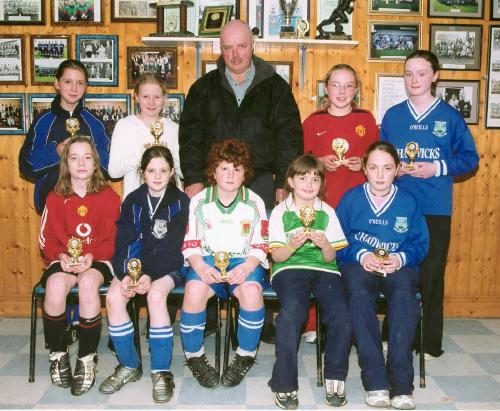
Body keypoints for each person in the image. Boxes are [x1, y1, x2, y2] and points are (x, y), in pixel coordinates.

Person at [179, 19, 302, 343]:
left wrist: (284, 182)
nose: (235, 54)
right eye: (228, 47)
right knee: (210, 245)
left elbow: (289, 136)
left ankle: (260, 315)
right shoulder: (203, 88)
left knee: (262, 247)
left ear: (253, 46)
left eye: (241, 46)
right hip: (211, 181)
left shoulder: (276, 87)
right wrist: (192, 179)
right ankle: (205, 316)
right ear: (220, 49)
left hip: (261, 180)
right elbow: (189, 138)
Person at [380, 50, 479, 359]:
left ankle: (429, 340)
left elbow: (470, 159)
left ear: (435, 76)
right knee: (397, 269)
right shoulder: (393, 115)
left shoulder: (448, 116)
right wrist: (392, 169)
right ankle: (393, 334)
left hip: (435, 207)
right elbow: (382, 157)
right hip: (399, 206)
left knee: (432, 273)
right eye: (409, 73)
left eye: (421, 73)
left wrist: (435, 168)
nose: (414, 79)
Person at [336, 141, 429, 410]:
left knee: (404, 296)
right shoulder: (351, 199)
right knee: (357, 295)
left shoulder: (408, 201)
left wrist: (400, 258)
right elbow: (338, 240)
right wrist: (361, 254)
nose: (380, 175)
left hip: (397, 265)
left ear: (398, 170)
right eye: (374, 168)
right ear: (364, 169)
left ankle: (401, 384)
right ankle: (376, 381)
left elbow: (420, 243)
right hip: (359, 265)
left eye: (387, 168)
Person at [99, 146, 189, 403]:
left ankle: (161, 372)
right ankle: (129, 365)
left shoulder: (181, 202)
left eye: (163, 170)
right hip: (137, 265)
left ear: (172, 173)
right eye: (151, 170)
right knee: (115, 297)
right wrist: (129, 273)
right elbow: (125, 240)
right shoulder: (132, 200)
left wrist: (149, 276)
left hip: (171, 264)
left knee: (156, 297)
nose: (157, 176)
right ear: (142, 173)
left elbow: (174, 247)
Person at [180, 139, 268, 389]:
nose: (231, 174)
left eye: (237, 169)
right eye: (225, 168)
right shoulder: (199, 201)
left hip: (243, 260)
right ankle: (194, 356)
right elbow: (191, 243)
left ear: (245, 174)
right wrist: (200, 266)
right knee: (194, 290)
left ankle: (245, 355)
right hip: (208, 260)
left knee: (251, 293)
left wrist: (247, 267)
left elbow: (261, 244)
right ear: (213, 172)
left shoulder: (255, 202)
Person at [301, 63, 379, 343]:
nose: (342, 91)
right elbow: (300, 165)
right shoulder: (313, 122)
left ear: (356, 89)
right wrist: (318, 164)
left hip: (357, 206)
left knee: (352, 264)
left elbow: (379, 160)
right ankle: (311, 323)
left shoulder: (367, 120)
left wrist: (363, 164)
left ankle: (350, 322)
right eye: (336, 85)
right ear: (326, 87)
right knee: (315, 260)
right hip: (321, 203)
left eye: (348, 85)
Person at [267, 154, 352, 410]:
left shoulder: (327, 212)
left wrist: (325, 243)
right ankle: (284, 383)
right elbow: (276, 255)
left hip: (324, 270)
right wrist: (292, 246)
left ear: (321, 183)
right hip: (290, 267)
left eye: (315, 178)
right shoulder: (280, 211)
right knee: (291, 315)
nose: (309, 183)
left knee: (341, 316)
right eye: (303, 177)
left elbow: (330, 257)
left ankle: (335, 378)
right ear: (291, 181)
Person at [39, 136, 120, 396]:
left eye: (87, 157)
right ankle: (58, 353)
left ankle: (86, 358)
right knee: (54, 287)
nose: (81, 162)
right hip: (64, 258)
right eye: (74, 158)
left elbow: (116, 239)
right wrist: (61, 256)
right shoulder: (54, 197)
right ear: (66, 163)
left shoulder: (108, 196)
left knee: (87, 284)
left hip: (99, 259)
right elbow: (45, 239)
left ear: (95, 163)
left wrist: (91, 256)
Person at [19, 59, 110, 215]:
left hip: (92, 206)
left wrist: (91, 154)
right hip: (52, 205)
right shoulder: (42, 121)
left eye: (80, 83)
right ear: (57, 84)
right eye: (68, 81)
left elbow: (110, 168)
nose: (74, 88)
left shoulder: (95, 123)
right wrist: (56, 152)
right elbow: (25, 165)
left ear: (86, 87)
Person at [109, 73, 181, 198]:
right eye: (145, 96)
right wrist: (141, 154)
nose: (151, 102)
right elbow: (113, 172)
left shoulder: (174, 128)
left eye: (157, 97)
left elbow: (183, 173)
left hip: (171, 202)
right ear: (136, 97)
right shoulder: (124, 126)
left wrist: (168, 157)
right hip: (136, 203)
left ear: (164, 98)